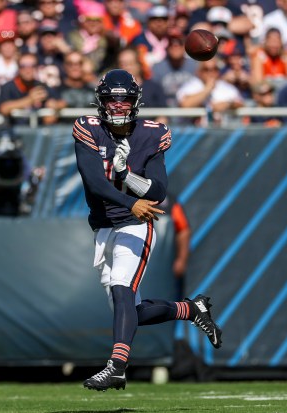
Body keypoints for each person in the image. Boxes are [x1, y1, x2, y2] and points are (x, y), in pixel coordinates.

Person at [73, 69, 222, 392]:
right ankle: (190, 309)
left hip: (137, 224)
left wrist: (127, 175)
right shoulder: (87, 128)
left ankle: (116, 367)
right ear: (100, 101)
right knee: (130, 312)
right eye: (111, 99)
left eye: (123, 99)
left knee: (121, 287)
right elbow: (94, 181)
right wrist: (129, 200)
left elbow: (157, 192)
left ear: (135, 102)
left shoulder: (152, 134)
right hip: (106, 225)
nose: (117, 105)